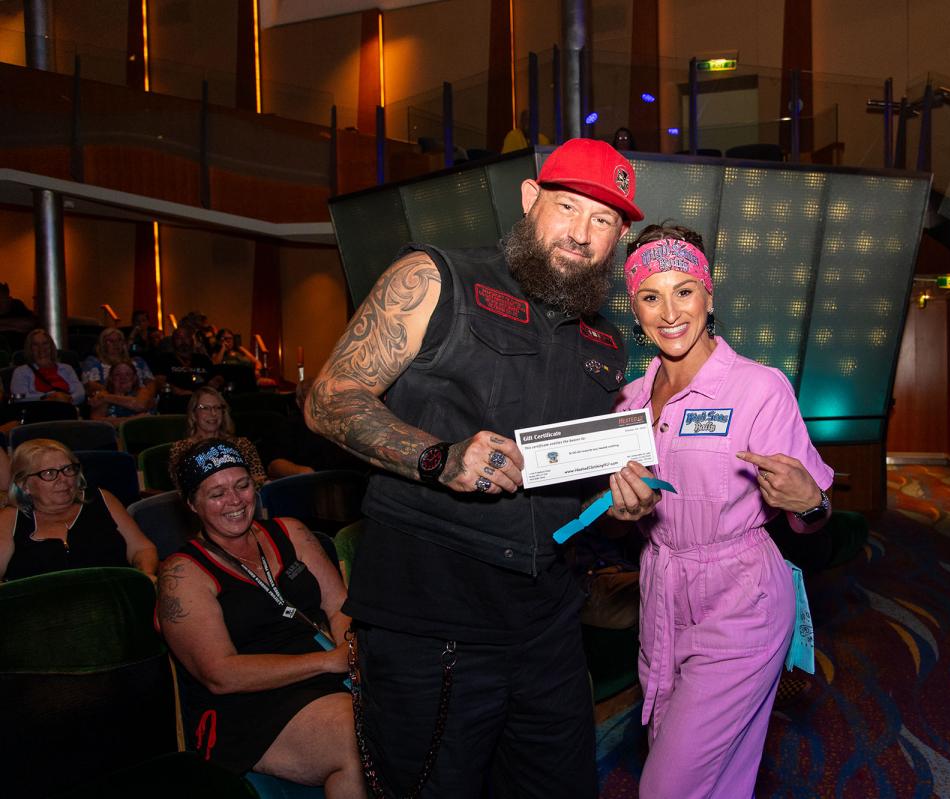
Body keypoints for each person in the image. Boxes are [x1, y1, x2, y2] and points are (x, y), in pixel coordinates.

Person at [305, 137, 659, 798]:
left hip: (547, 625)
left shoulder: (606, 342)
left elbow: (571, 489)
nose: (581, 233)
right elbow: (329, 399)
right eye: (567, 207)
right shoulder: (434, 277)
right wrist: (438, 458)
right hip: (431, 620)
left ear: (619, 237)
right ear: (530, 200)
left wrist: (619, 504)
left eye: (603, 219)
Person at [614, 224, 835, 798]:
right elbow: (618, 507)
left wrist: (810, 502)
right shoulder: (628, 400)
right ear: (634, 308)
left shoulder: (759, 389)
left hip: (742, 600)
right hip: (659, 593)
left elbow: (813, 515)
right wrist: (620, 510)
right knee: (707, 775)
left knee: (666, 786)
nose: (670, 313)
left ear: (709, 296)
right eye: (651, 296)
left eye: (684, 291)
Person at [156, 439, 364, 796]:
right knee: (359, 734)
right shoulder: (182, 573)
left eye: (242, 486)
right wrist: (328, 662)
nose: (235, 501)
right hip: (249, 703)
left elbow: (340, 606)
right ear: (192, 503)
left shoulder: (291, 532)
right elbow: (220, 674)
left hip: (329, 671)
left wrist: (351, 653)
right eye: (217, 494)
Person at [0, 438, 159, 581]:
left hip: (113, 597)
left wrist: (146, 574)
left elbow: (142, 548)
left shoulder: (102, 499)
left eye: (68, 469)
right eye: (49, 473)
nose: (63, 479)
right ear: (24, 485)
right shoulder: (11, 518)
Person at [262, 383, 370, 479]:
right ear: (298, 402)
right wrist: (303, 472)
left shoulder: (343, 423)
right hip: (309, 485)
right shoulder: (290, 426)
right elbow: (274, 466)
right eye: (309, 399)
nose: (316, 404)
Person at [168, 386, 267, 487]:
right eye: (205, 408)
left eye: (217, 408)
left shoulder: (242, 444)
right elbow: (182, 489)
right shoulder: (182, 449)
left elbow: (261, 481)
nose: (213, 413)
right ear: (193, 414)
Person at [10, 328, 86, 405]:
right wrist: (50, 397)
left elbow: (80, 393)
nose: (41, 348)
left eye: (45, 343)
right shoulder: (21, 372)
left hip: (67, 407)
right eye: (35, 344)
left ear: (51, 347)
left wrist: (68, 399)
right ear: (30, 349)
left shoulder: (67, 369)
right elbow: (19, 397)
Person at [80, 326, 155, 392]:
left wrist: (144, 395)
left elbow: (151, 383)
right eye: (110, 341)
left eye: (119, 340)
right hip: (110, 399)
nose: (116, 344)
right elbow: (90, 386)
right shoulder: (93, 362)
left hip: (141, 398)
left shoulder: (138, 361)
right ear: (103, 345)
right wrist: (120, 397)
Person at [87, 359, 158, 423]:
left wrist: (106, 398)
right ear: (111, 378)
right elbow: (96, 421)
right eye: (117, 374)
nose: (123, 377)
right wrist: (131, 420)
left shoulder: (143, 391)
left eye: (128, 374)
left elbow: (140, 405)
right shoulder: (104, 394)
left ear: (134, 378)